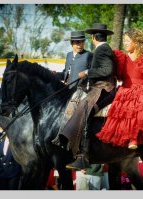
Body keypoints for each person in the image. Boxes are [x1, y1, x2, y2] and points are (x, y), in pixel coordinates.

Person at [53, 23, 117, 170]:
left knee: (82, 108)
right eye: (77, 42)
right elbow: (66, 73)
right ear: (72, 44)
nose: (80, 44)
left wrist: (87, 72)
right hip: (70, 89)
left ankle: (81, 153)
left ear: (93, 37)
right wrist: (54, 75)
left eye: (82, 41)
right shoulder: (70, 55)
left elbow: (106, 69)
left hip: (92, 89)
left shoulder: (96, 52)